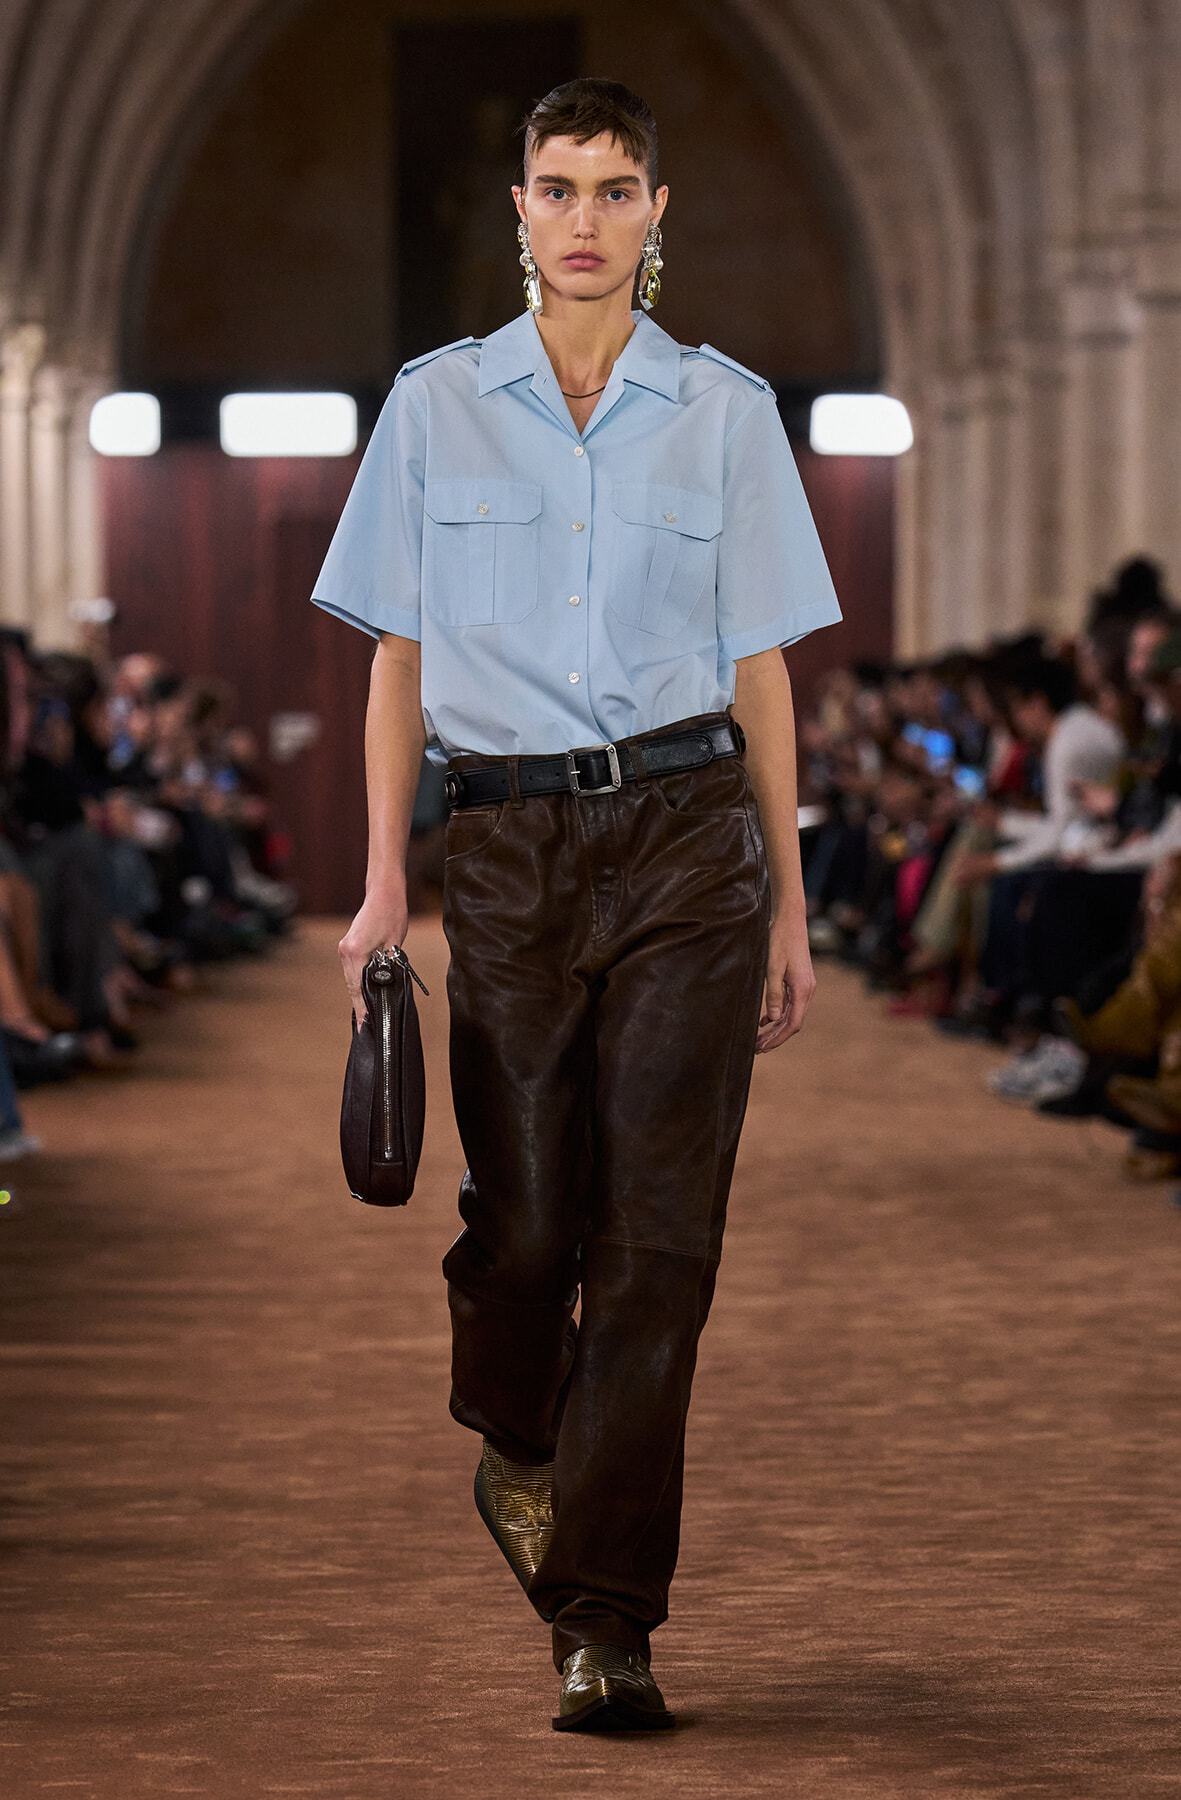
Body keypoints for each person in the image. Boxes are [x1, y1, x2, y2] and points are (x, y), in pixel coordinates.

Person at [312, 78, 840, 1732]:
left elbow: (762, 669)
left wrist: (789, 903)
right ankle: (519, 1435)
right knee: (531, 1228)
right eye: (560, 187)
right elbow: (396, 658)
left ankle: (606, 1619)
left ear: (657, 208)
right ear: (520, 209)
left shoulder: (727, 412)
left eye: (617, 189)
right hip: (507, 846)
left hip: (690, 838)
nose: (587, 218)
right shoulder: (434, 404)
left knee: (660, 1245)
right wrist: (383, 882)